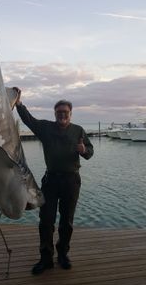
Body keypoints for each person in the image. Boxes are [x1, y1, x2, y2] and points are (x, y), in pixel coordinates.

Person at [15, 89, 94, 275]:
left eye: (65, 112)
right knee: (46, 221)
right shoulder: (45, 128)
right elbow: (29, 120)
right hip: (50, 181)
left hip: (71, 181)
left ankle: (63, 255)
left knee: (66, 222)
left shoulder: (78, 131)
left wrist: (83, 150)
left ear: (70, 113)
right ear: (55, 114)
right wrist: (19, 104)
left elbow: (89, 153)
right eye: (59, 112)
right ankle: (46, 258)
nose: (62, 115)